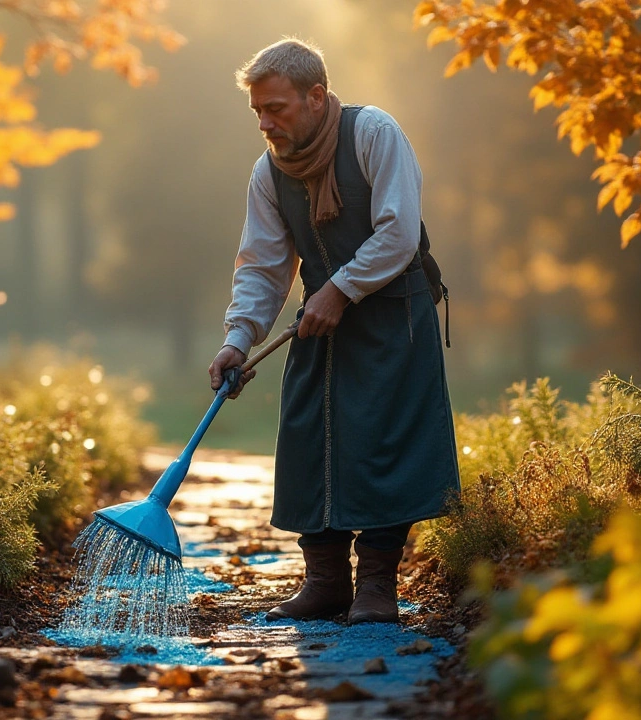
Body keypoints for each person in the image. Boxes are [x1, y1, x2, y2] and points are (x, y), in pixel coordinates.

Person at [208, 38, 460, 624]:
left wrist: (341, 289)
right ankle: (324, 581)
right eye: (258, 113)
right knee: (308, 436)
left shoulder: (375, 133)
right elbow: (265, 266)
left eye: (277, 108)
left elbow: (398, 234)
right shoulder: (268, 171)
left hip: (394, 314)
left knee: (382, 443)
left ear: (316, 96)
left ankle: (376, 586)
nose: (266, 124)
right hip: (320, 319)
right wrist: (237, 339)